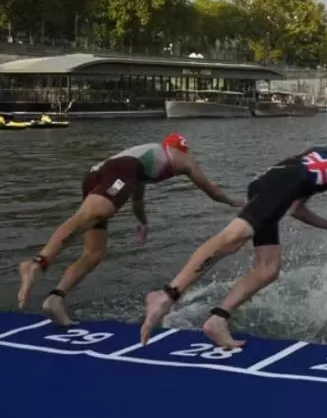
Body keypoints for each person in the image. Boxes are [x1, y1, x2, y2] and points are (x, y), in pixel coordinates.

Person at [139, 125, 327, 348]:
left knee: (268, 268)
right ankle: (166, 295)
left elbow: (295, 208)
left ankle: (218, 319)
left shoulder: (324, 154)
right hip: (282, 185)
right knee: (233, 237)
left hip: (266, 182)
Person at [16, 134, 242, 325]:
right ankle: (38, 263)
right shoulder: (181, 158)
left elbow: (137, 199)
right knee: (96, 212)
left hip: (97, 175)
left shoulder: (145, 162)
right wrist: (235, 202)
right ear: (180, 148)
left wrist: (142, 222)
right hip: (117, 170)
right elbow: (212, 191)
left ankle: (55, 298)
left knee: (94, 253)